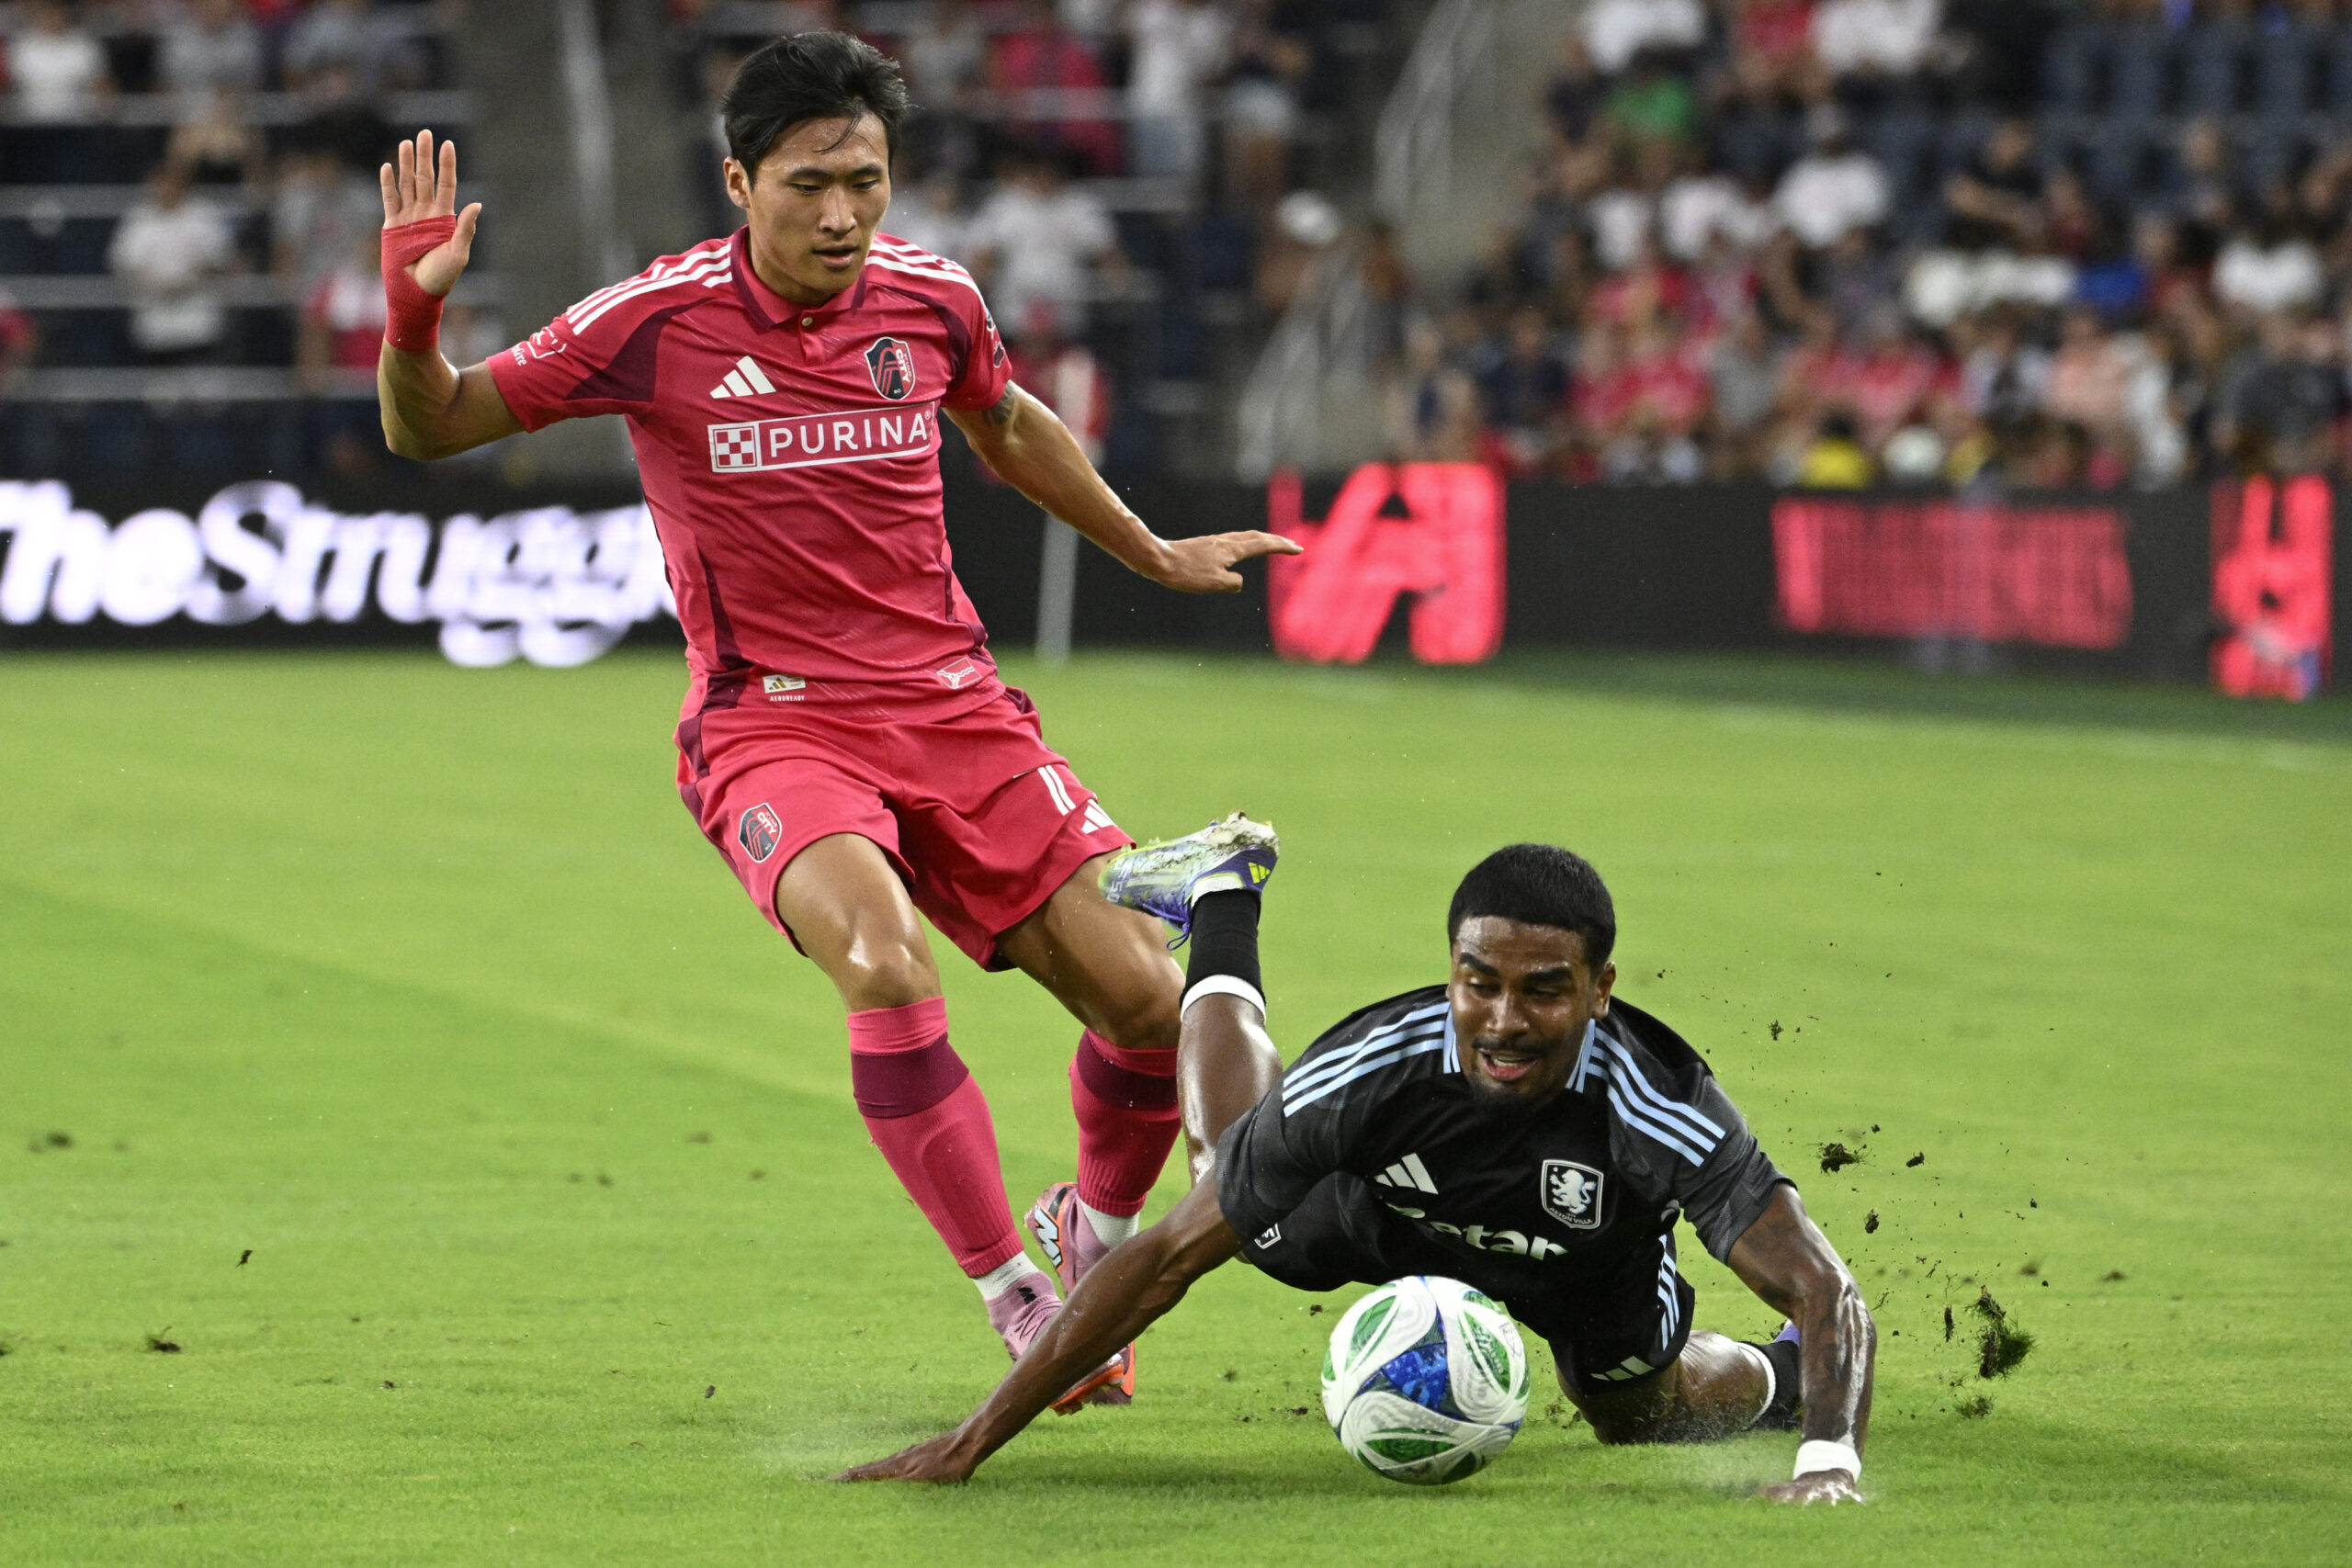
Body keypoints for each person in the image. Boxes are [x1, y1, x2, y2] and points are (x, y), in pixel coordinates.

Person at [369, 32, 1298, 1404]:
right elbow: (432, 427)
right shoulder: (653, 320)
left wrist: (1149, 547)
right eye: (809, 183)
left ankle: (1089, 1240)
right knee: (882, 955)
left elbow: (1009, 419)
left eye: (865, 178)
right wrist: (409, 322)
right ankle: (1017, 1292)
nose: (843, 213)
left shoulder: (930, 297)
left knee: (1148, 1006)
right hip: (775, 723)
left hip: (957, 709)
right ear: (739, 180)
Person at [844, 837, 1877, 1505]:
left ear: (1601, 991)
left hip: (1585, 1260)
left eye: (1545, 991)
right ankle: (1221, 898)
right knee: (1227, 1183)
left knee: (1637, 1416)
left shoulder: (1655, 1102)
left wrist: (1828, 1460)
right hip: (1382, 1210)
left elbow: (1824, 1282)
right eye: (1479, 984)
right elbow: (1161, 1260)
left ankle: (1780, 1373)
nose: (1505, 1021)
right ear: (1451, 975)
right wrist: (974, 1439)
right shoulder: (1378, 1070)